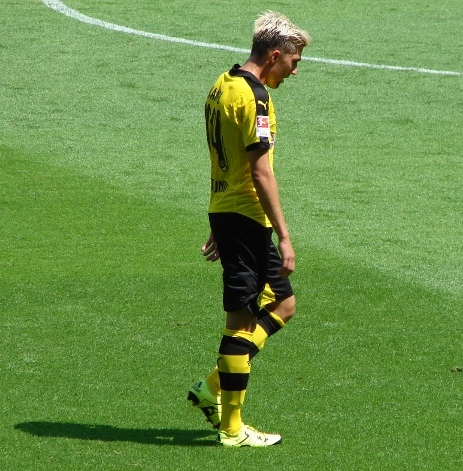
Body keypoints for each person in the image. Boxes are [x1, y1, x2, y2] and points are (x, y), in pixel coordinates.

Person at [187, 11, 311, 447]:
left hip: (228, 211)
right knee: (241, 321)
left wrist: (217, 216)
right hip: (246, 216)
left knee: (284, 304)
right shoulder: (255, 98)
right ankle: (232, 429)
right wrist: (285, 234)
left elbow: (221, 157)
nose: (294, 72)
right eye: (293, 63)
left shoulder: (222, 83)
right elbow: (260, 172)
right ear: (275, 55)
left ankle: (211, 387)